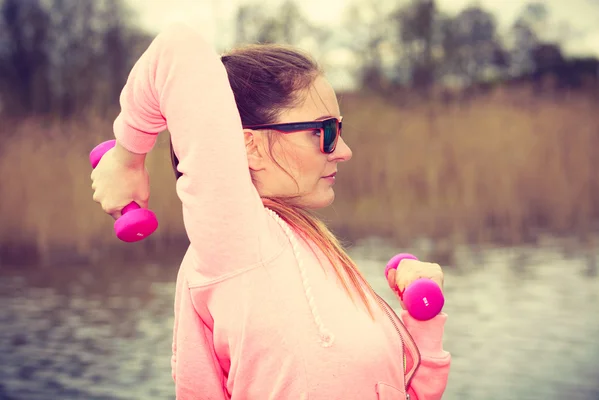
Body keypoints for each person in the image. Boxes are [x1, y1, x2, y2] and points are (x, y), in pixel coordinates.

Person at [90, 23, 451, 399]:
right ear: (250, 147)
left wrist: (423, 321)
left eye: (340, 129)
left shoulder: (317, 256)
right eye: (324, 131)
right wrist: (127, 159)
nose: (343, 150)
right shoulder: (238, 241)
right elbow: (179, 52)